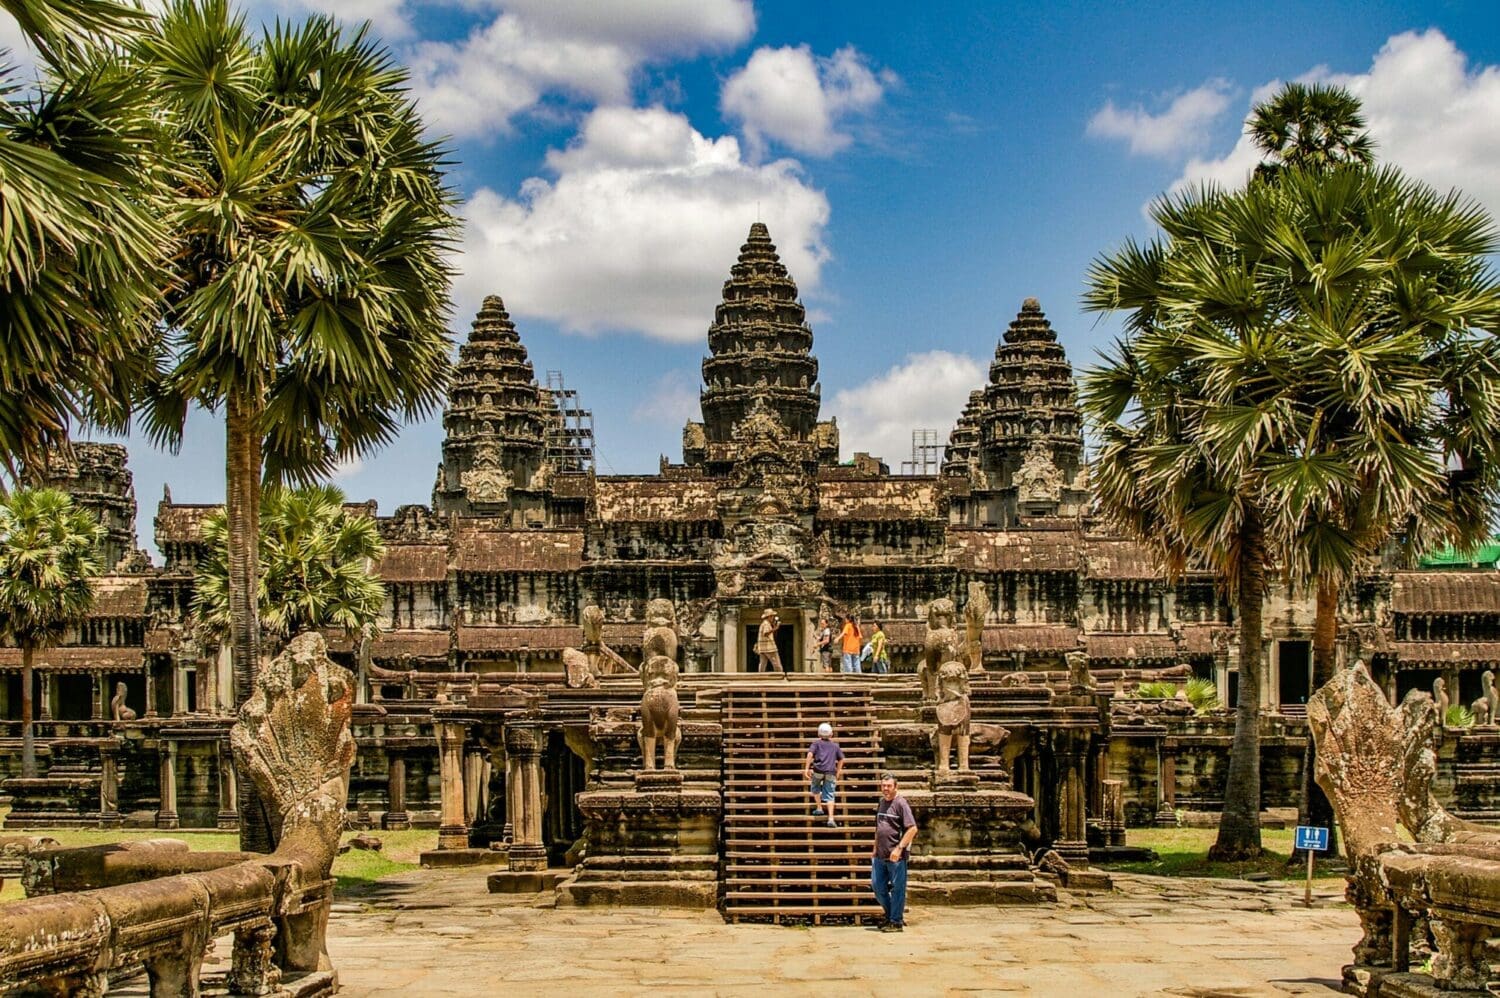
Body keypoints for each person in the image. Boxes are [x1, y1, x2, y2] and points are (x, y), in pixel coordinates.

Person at [871, 772, 917, 932]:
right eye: (883, 786)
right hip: (880, 854)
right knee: (877, 886)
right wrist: (875, 846)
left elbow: (912, 829)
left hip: (896, 855)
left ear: (895, 787)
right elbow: (879, 827)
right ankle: (891, 916)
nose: (886, 789)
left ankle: (896, 921)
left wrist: (899, 848)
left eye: (889, 786)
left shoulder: (901, 804)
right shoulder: (882, 802)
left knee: (898, 888)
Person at [803, 721, 845, 828]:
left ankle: (819, 807)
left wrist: (806, 768)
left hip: (818, 770)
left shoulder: (816, 744)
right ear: (831, 734)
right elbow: (841, 759)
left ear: (818, 734)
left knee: (815, 787)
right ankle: (830, 818)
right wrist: (838, 771)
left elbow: (810, 754)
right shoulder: (835, 746)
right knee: (830, 793)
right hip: (831, 771)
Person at [756, 608, 784, 674]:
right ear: (769, 617)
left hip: (763, 648)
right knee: (777, 664)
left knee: (762, 664)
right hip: (769, 648)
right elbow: (766, 633)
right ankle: (779, 676)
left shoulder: (765, 624)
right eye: (772, 616)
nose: (773, 618)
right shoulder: (766, 624)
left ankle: (760, 677)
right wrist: (776, 628)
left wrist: (774, 626)